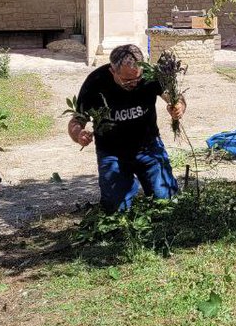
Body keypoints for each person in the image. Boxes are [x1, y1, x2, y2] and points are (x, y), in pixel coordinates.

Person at [68, 44, 185, 213]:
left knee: (168, 202)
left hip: (148, 147)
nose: (134, 84)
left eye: (137, 78)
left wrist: (178, 107)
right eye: (127, 80)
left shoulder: (151, 75)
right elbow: (77, 120)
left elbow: (175, 98)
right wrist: (79, 134)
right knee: (116, 210)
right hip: (112, 152)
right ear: (112, 71)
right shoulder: (96, 82)